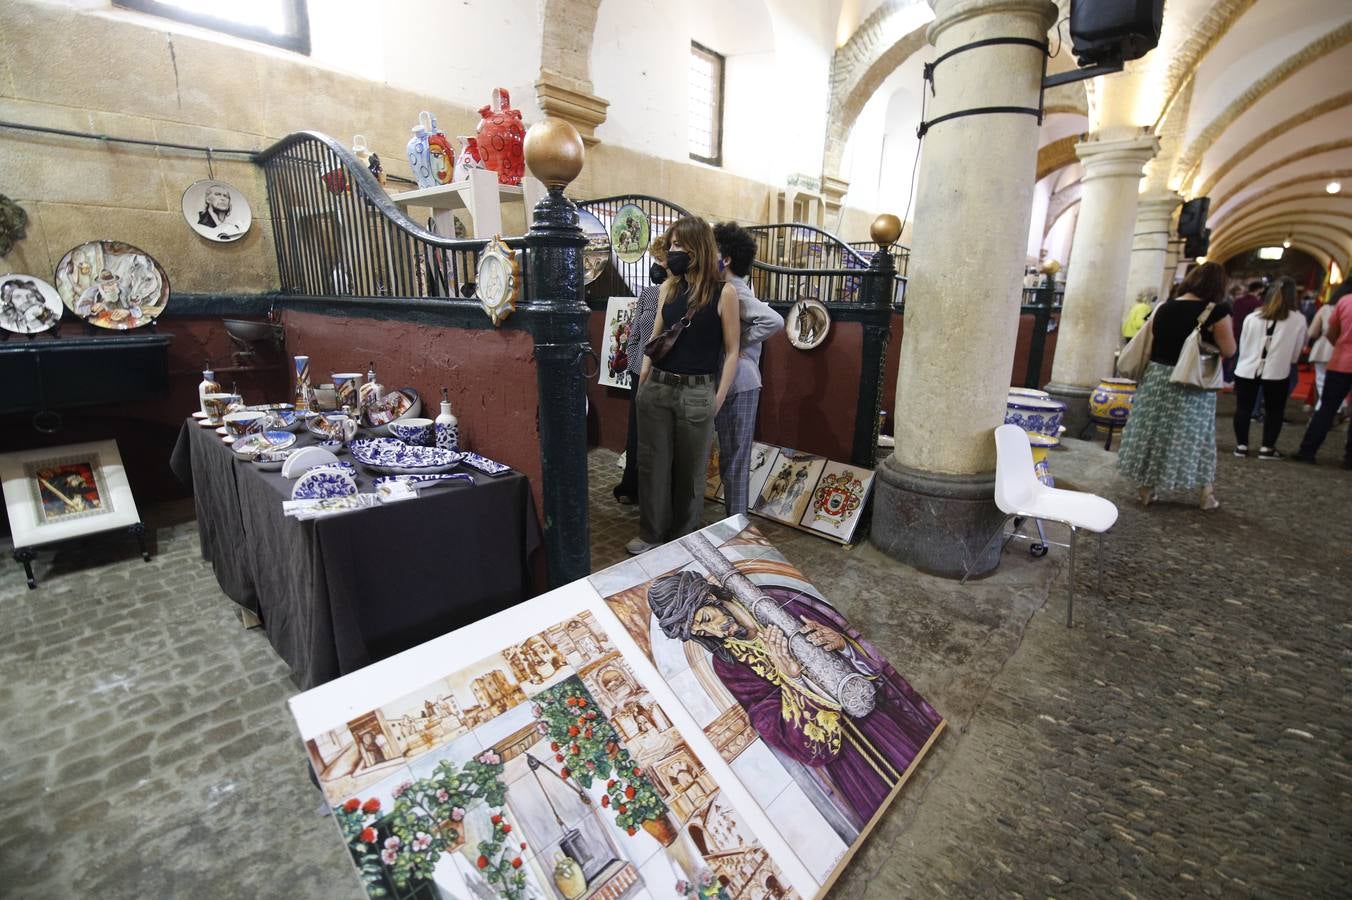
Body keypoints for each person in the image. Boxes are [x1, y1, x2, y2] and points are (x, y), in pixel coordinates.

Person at [645, 569, 941, 830]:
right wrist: (792, 678)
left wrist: (841, 644)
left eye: (707, 618)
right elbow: (767, 719)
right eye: (700, 630)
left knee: (931, 777)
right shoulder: (728, 665)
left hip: (879, 719)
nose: (713, 631)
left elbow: (855, 643)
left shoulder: (775, 602)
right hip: (847, 756)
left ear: (714, 598)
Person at [627, 217, 741, 555]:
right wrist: (643, 382)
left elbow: (734, 350)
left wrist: (717, 397)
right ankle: (651, 534)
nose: (673, 252)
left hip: (697, 391)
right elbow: (654, 338)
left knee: (691, 473)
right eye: (672, 245)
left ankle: (684, 539)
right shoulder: (669, 288)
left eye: (679, 245)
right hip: (658, 388)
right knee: (653, 465)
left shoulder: (725, 293)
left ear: (697, 248)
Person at [1117, 261, 1237, 510]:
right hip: (1191, 381)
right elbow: (1229, 349)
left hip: (1157, 379)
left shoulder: (1163, 307)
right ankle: (1206, 493)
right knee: (1195, 436)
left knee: (1152, 432)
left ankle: (1146, 488)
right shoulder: (1216, 311)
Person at [712, 222, 783, 517]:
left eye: (713, 251)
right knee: (733, 459)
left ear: (726, 259)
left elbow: (775, 321)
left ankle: (735, 528)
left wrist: (739, 341)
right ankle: (733, 526)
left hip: (740, 383)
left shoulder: (736, 292)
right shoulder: (728, 290)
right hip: (736, 383)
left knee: (736, 461)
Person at [613, 235, 670, 504]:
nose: (657, 265)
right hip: (640, 372)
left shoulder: (683, 296)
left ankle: (658, 491)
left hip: (668, 374)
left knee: (661, 435)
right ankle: (631, 485)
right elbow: (635, 335)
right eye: (656, 259)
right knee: (636, 432)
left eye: (661, 259)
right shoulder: (648, 294)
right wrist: (636, 365)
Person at [1231, 277, 1305, 459]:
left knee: (1243, 408)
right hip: (1277, 371)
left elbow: (1243, 344)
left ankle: (1241, 446)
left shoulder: (1252, 318)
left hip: (1247, 369)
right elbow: (1296, 352)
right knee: (1274, 410)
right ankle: (1267, 447)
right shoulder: (1298, 319)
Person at [1293, 283, 1352, 468]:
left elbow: (1331, 331)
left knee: (1326, 408)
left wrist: (1341, 345)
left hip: (1341, 362)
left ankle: (1308, 450)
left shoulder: (1345, 301)